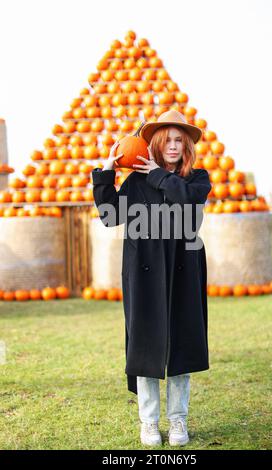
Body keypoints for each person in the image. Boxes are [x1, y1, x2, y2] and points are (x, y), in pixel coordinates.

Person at [92, 110, 212, 447]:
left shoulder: (197, 179)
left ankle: (178, 421)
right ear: (155, 144)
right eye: (167, 140)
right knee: (144, 348)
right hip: (143, 273)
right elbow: (109, 216)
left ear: (187, 146)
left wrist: (159, 175)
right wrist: (106, 173)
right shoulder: (136, 182)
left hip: (182, 272)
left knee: (180, 346)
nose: (173, 146)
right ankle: (148, 423)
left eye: (179, 140)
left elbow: (186, 201)